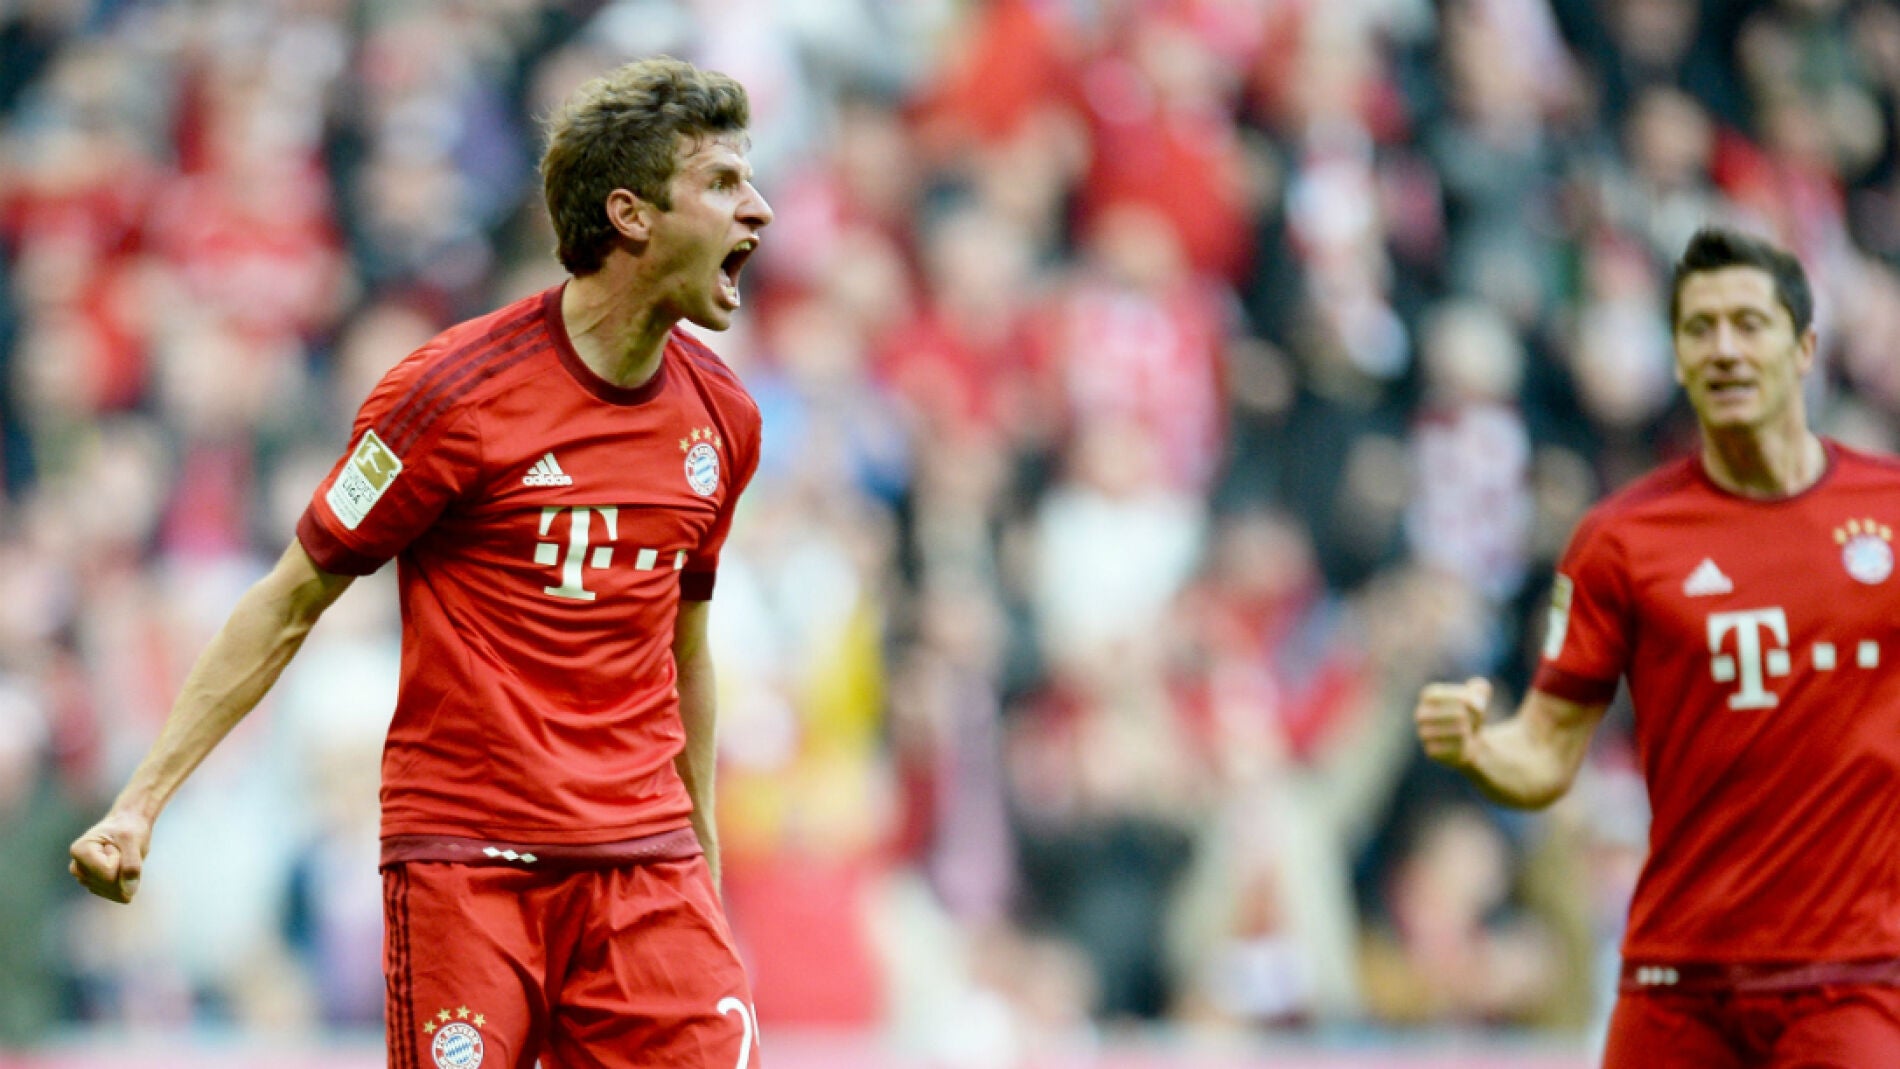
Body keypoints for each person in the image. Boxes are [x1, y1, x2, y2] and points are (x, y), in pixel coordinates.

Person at [68, 56, 773, 1068]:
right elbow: (290, 597)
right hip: (469, 869)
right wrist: (140, 804)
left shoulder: (724, 419)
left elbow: (685, 649)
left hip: (642, 870)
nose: (758, 210)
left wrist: (699, 857)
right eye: (721, 182)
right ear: (630, 215)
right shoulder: (453, 396)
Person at [1416, 225, 1900, 1066]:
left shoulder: (1891, 512)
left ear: (1805, 347)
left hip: (1850, 976)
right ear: (1676, 356)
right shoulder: (1620, 539)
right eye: (1699, 329)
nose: (1724, 349)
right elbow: (1544, 754)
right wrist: (1478, 749)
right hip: (1680, 983)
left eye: (1749, 324)